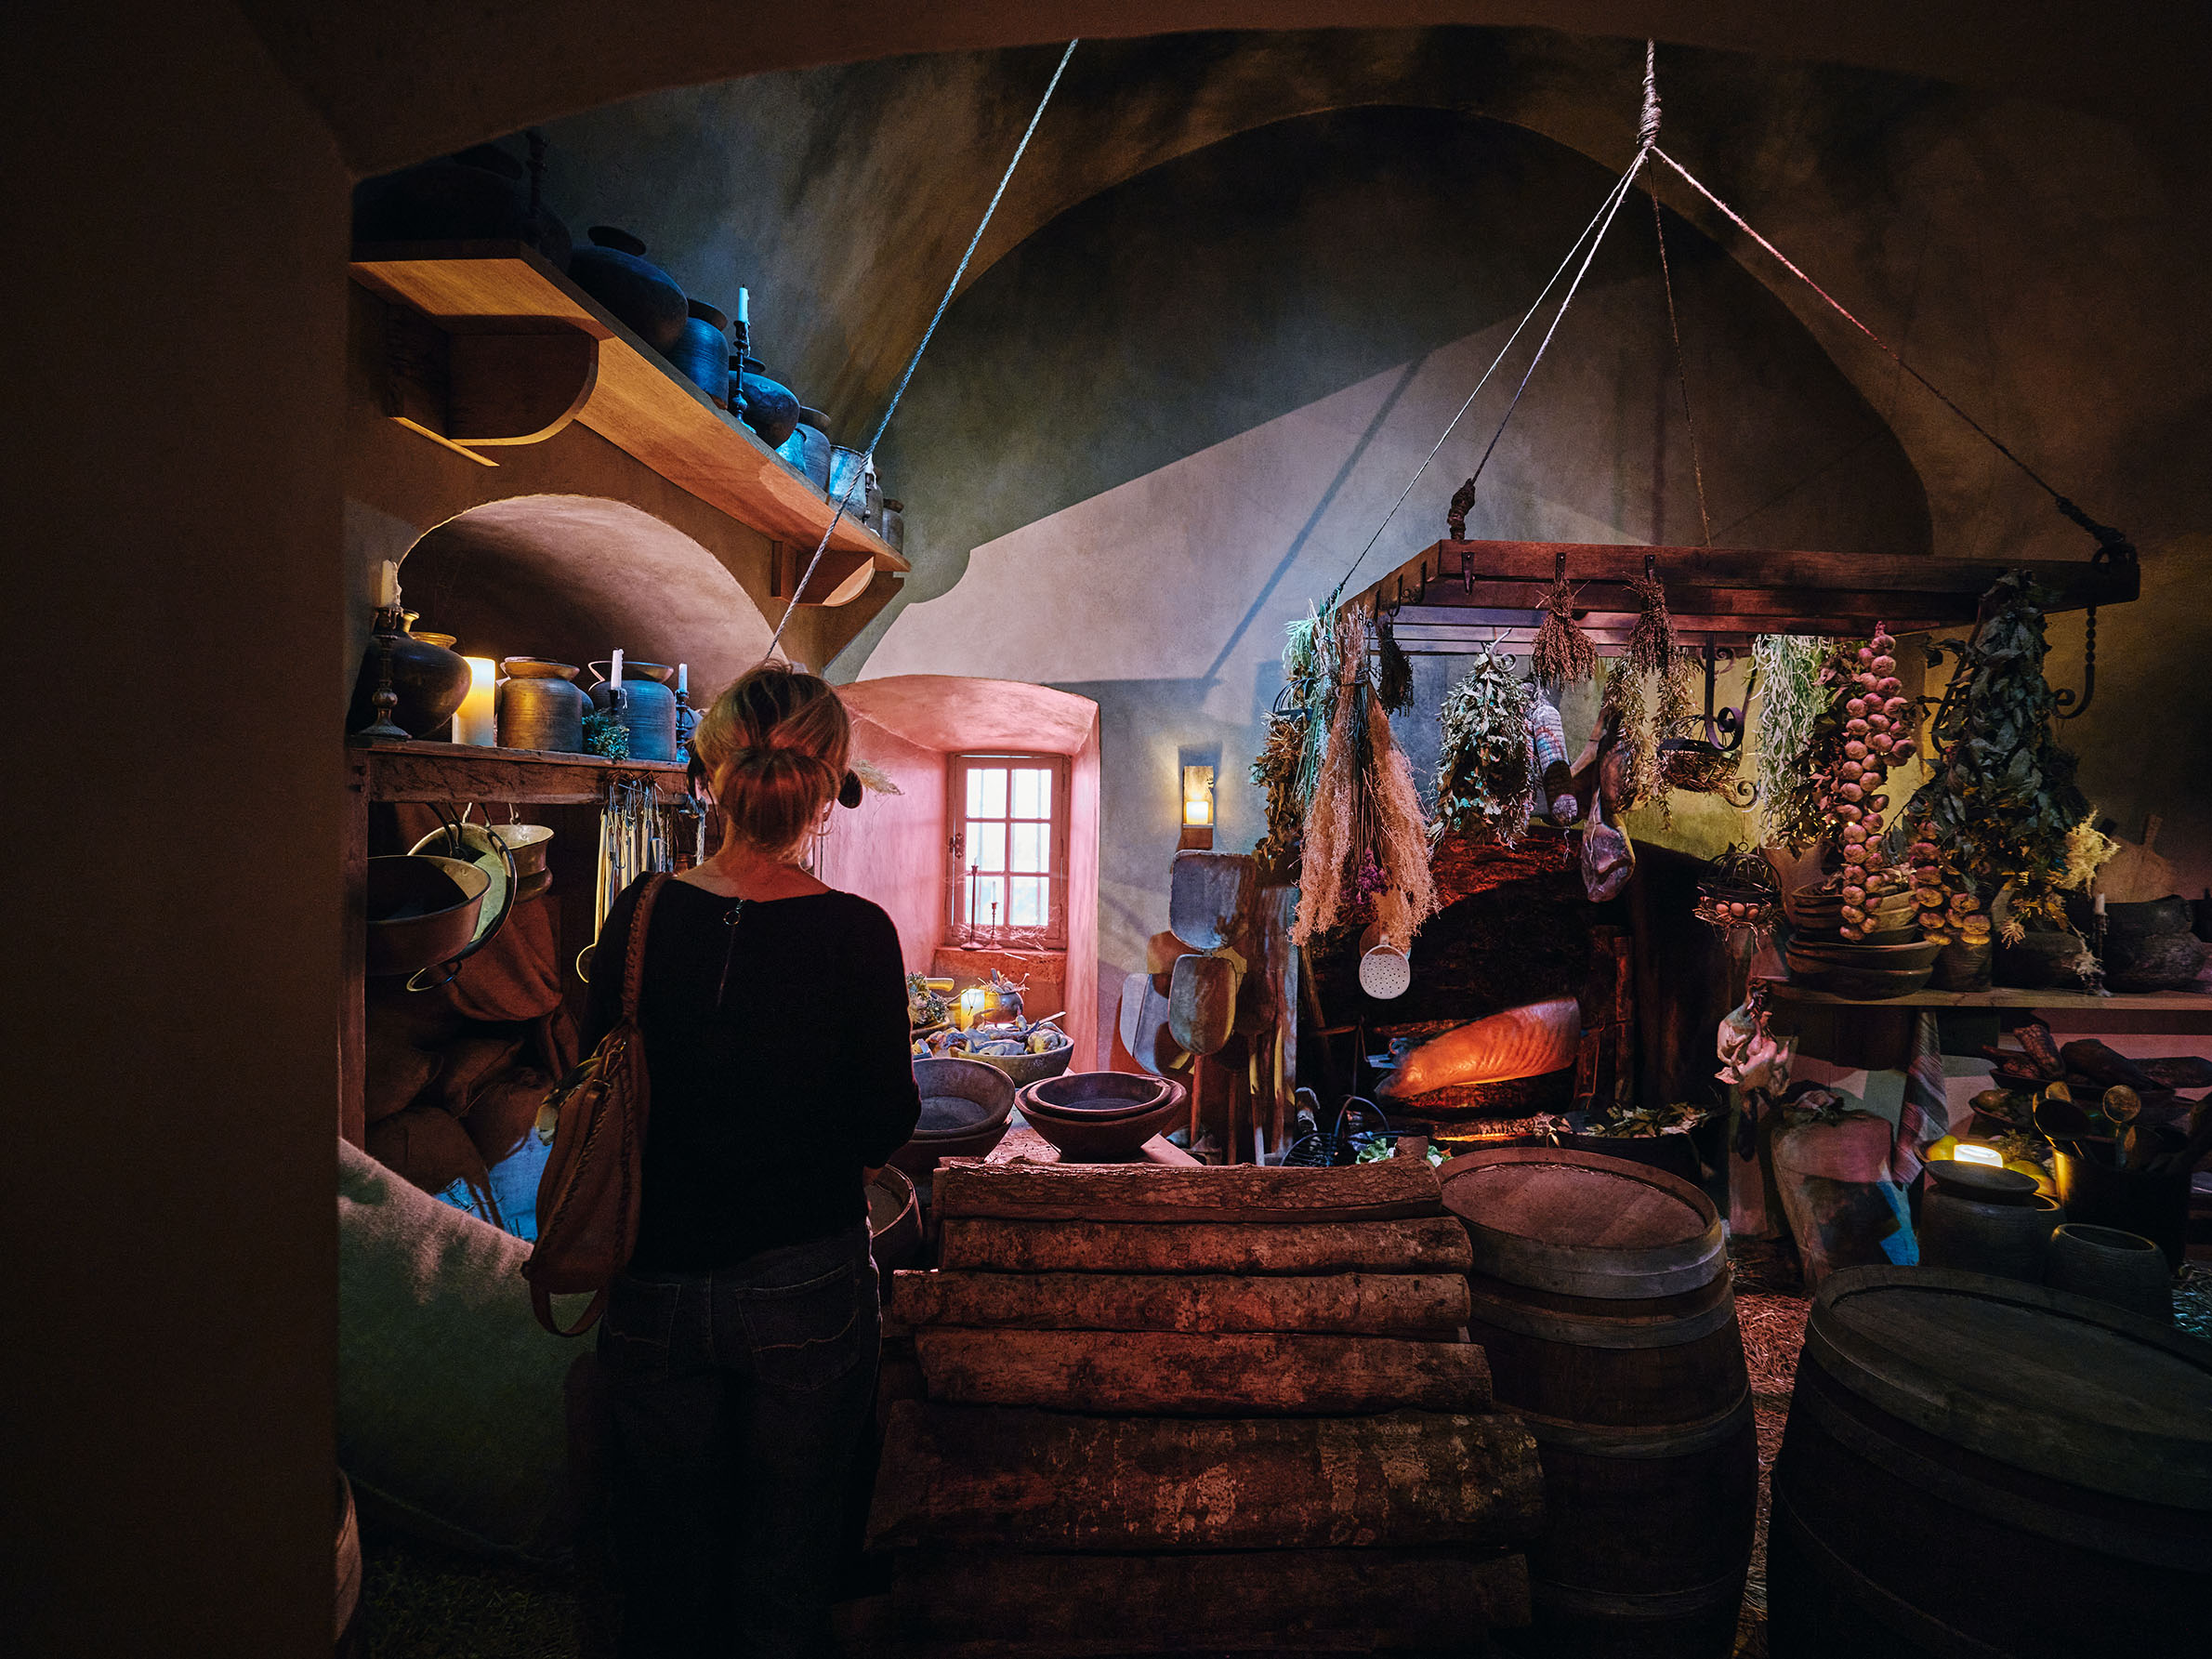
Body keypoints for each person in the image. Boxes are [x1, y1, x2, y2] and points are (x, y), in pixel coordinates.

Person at [583, 663, 920, 1658]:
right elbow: (884, 1123)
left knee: (667, 1567)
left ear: (710, 776)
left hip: (652, 1278)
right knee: (789, 1560)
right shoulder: (857, 933)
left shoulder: (641, 911)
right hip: (804, 1279)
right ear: (827, 789)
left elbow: (593, 1071)